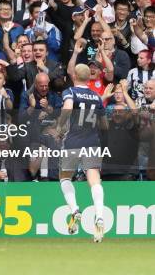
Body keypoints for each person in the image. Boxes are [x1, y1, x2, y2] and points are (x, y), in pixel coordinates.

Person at [56, 63, 108, 242]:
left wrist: (59, 125)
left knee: (64, 177)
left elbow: (68, 107)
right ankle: (100, 216)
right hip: (93, 142)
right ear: (89, 78)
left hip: (73, 141)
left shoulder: (70, 92)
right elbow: (104, 125)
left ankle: (75, 210)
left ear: (74, 76)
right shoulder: (96, 97)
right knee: (94, 181)